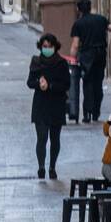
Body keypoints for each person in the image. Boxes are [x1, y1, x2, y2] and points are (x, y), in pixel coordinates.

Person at [69, 0, 111, 124]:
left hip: (87, 55)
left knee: (88, 83)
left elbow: (75, 45)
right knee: (98, 83)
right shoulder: (101, 19)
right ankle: (96, 112)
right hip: (100, 54)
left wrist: (72, 60)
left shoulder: (78, 24)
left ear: (78, 9)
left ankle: (87, 113)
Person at [28, 32, 70, 180]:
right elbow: (29, 82)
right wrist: (39, 84)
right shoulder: (36, 62)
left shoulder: (61, 63)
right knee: (41, 137)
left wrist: (51, 86)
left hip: (56, 104)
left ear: (54, 47)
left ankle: (52, 166)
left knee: (55, 138)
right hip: (40, 104)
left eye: (49, 46)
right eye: (44, 46)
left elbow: (66, 84)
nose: (46, 49)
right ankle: (41, 166)